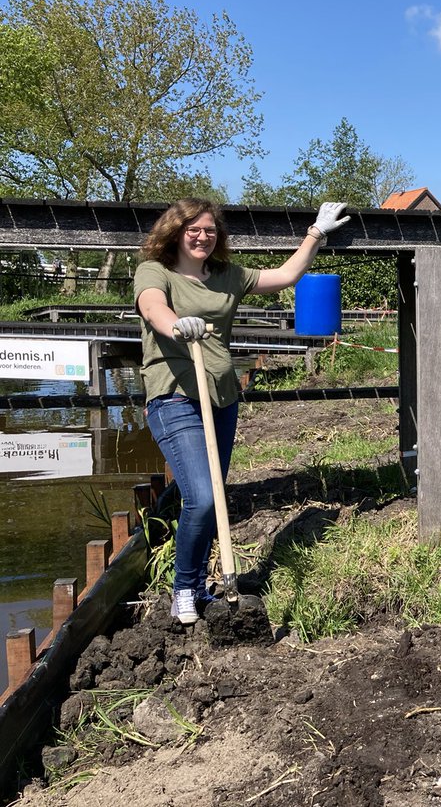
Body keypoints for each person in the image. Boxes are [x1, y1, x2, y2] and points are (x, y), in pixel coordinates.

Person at [135, 197, 351, 625]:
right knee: (200, 496)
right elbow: (152, 306)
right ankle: (185, 588)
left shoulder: (228, 275)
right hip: (174, 396)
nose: (202, 236)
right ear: (175, 232)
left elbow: (287, 275)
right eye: (193, 229)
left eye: (210, 230)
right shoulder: (155, 271)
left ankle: (202, 586)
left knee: (215, 496)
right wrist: (177, 324)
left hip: (222, 397)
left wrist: (317, 233)